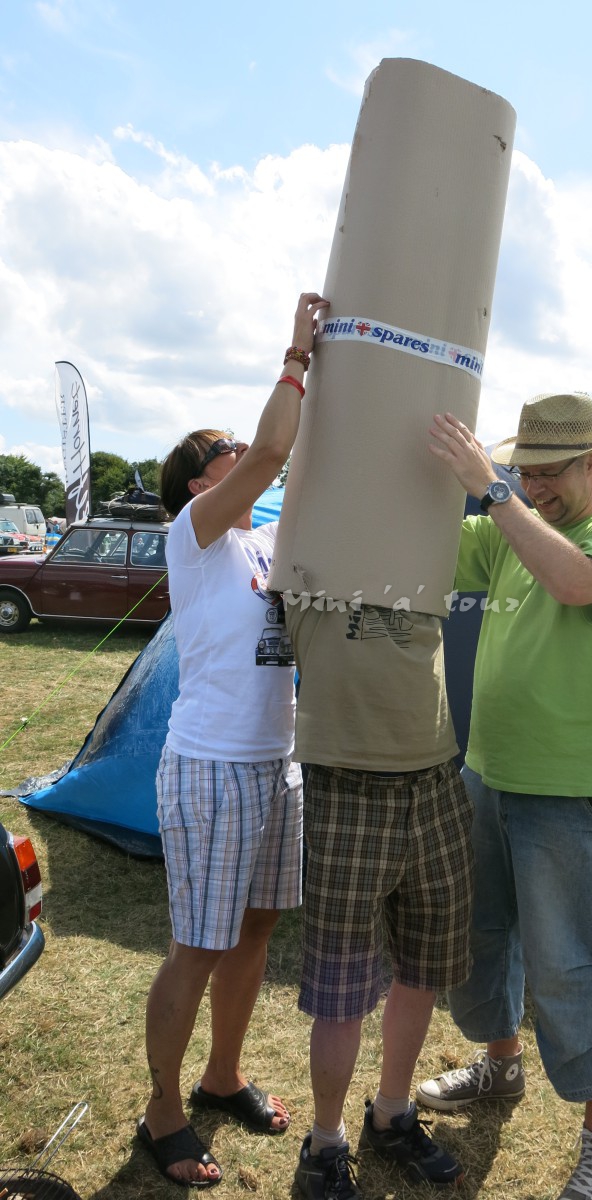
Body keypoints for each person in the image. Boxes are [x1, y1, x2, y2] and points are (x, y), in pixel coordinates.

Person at [419, 393, 592, 1200]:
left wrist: (492, 491)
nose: (533, 487)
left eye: (548, 472)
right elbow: (423, 547)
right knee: (480, 936)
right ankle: (500, 1065)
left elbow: (572, 583)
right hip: (489, 769)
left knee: (573, 962)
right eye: (523, 473)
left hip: (578, 783)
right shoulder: (506, 528)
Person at [137, 291, 329, 1189]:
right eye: (226, 451)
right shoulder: (196, 537)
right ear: (198, 484)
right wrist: (297, 356)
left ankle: (221, 1076)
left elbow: (308, 470)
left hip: (274, 765)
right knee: (199, 945)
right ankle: (161, 1111)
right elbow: (277, 452)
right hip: (211, 765)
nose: (244, 452)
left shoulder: (261, 543)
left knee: (254, 930)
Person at [284, 573, 475, 1196]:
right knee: (340, 988)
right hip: (346, 784)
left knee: (423, 966)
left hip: (436, 776)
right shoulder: (307, 543)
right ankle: (325, 1142)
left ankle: (392, 1114)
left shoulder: (434, 539)